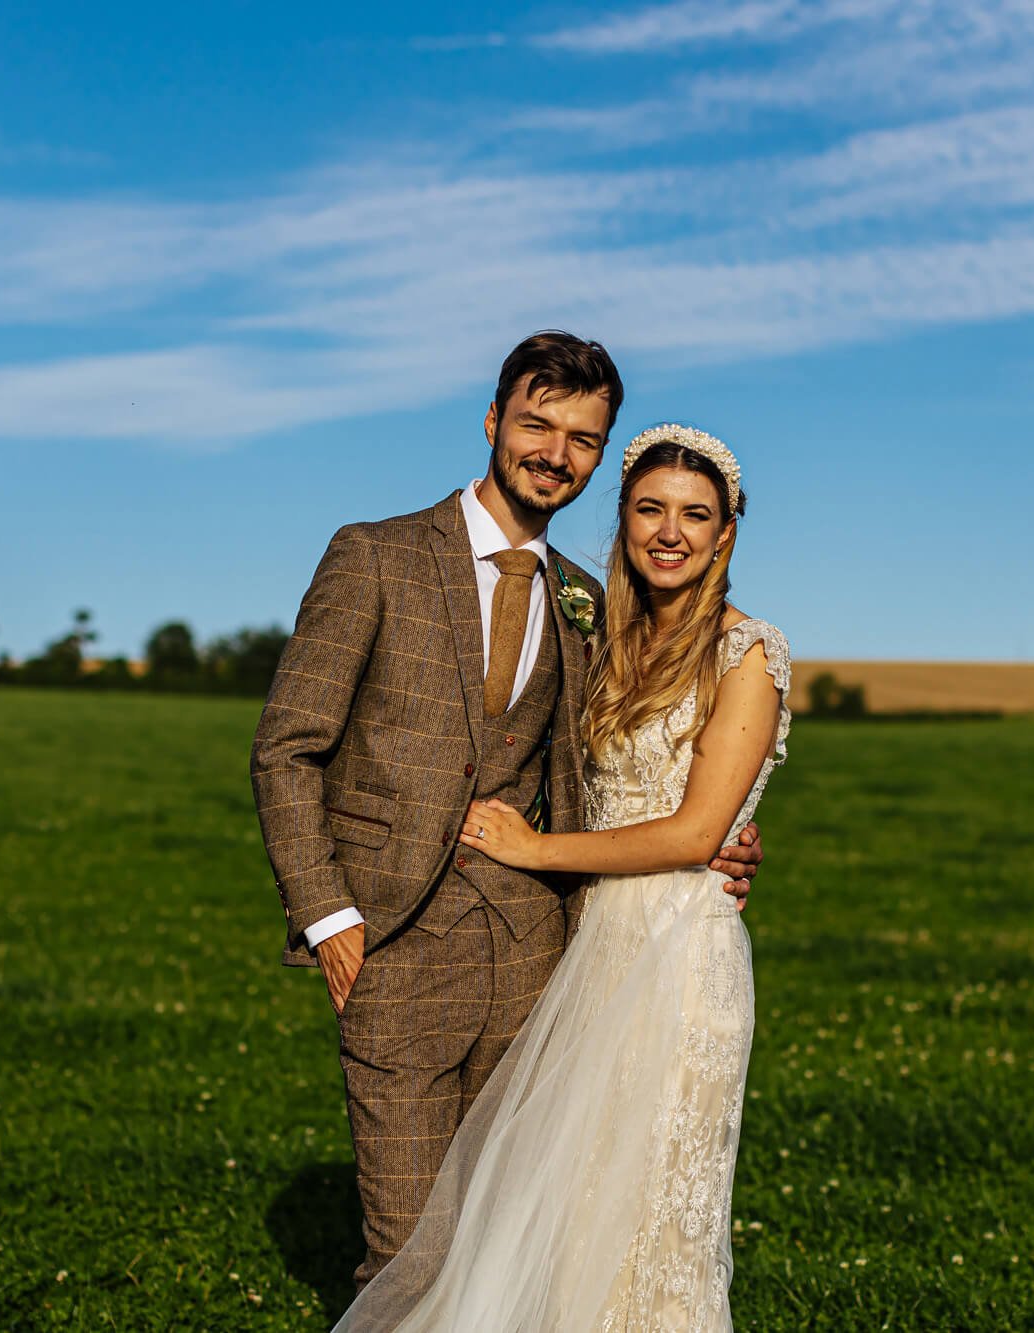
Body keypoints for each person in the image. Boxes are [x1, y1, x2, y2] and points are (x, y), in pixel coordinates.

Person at [250, 332, 765, 1295]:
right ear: (494, 422)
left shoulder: (583, 598)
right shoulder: (376, 556)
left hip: (540, 959)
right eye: (538, 423)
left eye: (582, 438)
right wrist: (329, 919)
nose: (555, 452)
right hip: (391, 947)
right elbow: (287, 747)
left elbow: (626, 766)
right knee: (405, 1249)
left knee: (510, 1239)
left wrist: (720, 839)